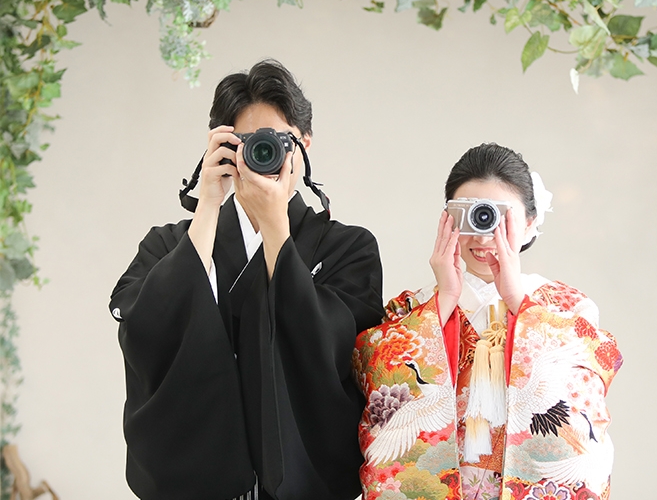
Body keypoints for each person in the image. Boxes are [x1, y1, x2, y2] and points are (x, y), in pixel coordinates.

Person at [109, 60, 384, 500]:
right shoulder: (169, 244)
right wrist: (207, 205)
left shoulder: (348, 247)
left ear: (304, 144)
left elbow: (331, 349)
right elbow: (144, 329)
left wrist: (276, 229)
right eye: (245, 142)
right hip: (197, 484)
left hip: (303, 486)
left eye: (277, 140)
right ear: (220, 147)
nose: (262, 154)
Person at [353, 143, 622, 500]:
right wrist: (443, 303)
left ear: (529, 222)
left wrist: (518, 303)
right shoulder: (411, 309)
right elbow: (380, 394)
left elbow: (580, 414)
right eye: (471, 214)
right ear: (448, 219)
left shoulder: (567, 307)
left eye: (500, 218)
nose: (483, 236)